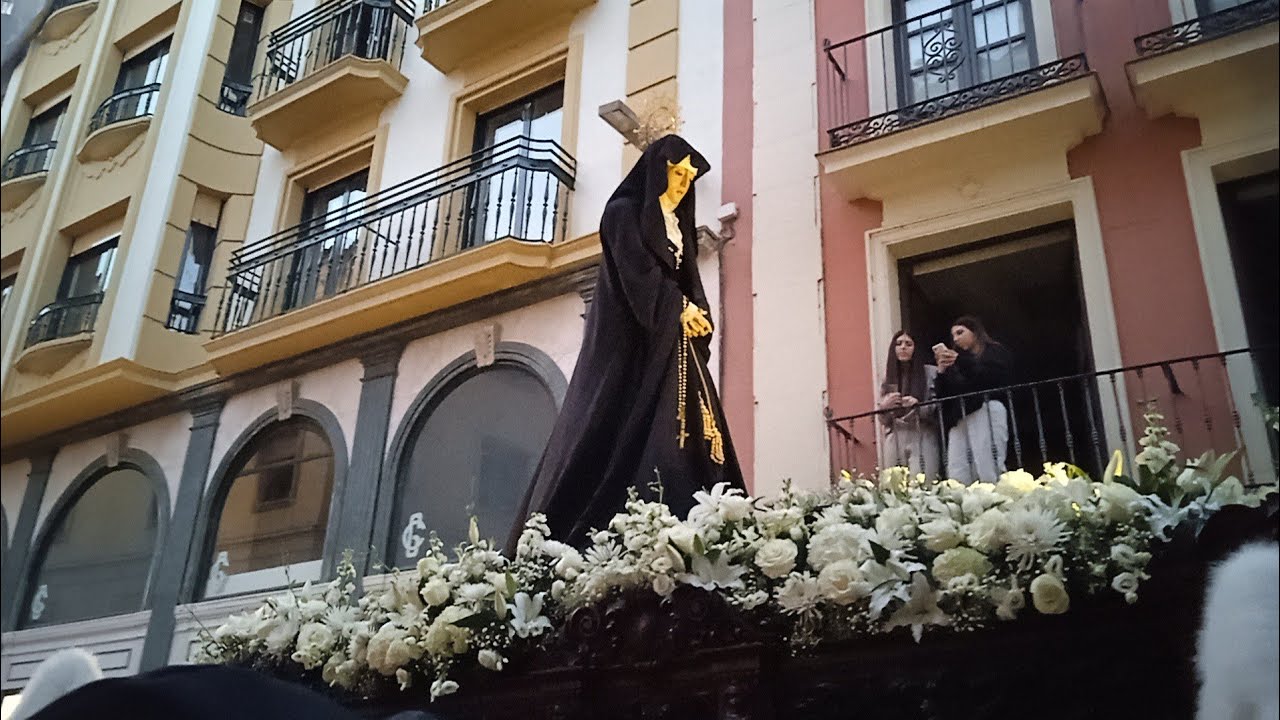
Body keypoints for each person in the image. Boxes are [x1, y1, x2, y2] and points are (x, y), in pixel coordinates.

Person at [508, 135, 745, 550]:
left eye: (689, 177)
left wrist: (698, 313)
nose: (683, 184)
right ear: (657, 171)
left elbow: (688, 277)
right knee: (619, 424)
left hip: (673, 338)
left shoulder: (678, 225)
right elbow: (634, 270)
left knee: (690, 422)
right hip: (632, 339)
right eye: (677, 174)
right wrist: (676, 308)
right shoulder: (622, 214)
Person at [934, 316, 1014, 484]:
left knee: (988, 465)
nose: (955, 338)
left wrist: (960, 361)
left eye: (960, 332)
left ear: (975, 332)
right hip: (961, 416)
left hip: (987, 408)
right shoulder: (957, 362)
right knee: (957, 469)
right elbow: (944, 396)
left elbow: (990, 378)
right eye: (953, 335)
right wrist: (941, 372)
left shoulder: (994, 351)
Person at [877, 330, 941, 478]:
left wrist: (917, 406)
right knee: (894, 488)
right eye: (898, 344)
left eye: (908, 344)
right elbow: (884, 421)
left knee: (922, 484)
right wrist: (884, 407)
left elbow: (937, 407)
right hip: (895, 435)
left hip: (922, 433)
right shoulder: (888, 380)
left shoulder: (930, 373)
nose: (903, 347)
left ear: (915, 348)